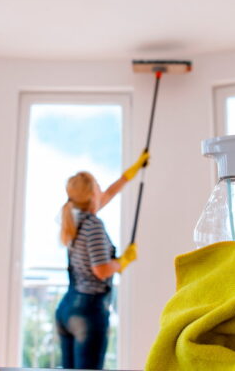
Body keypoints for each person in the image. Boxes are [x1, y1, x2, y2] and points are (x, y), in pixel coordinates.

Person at [55, 152, 149, 370]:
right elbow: (102, 270)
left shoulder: (71, 217)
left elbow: (107, 195)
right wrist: (123, 261)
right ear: (91, 195)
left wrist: (130, 173)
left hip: (67, 308)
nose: (101, 189)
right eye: (98, 186)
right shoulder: (93, 225)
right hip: (88, 311)